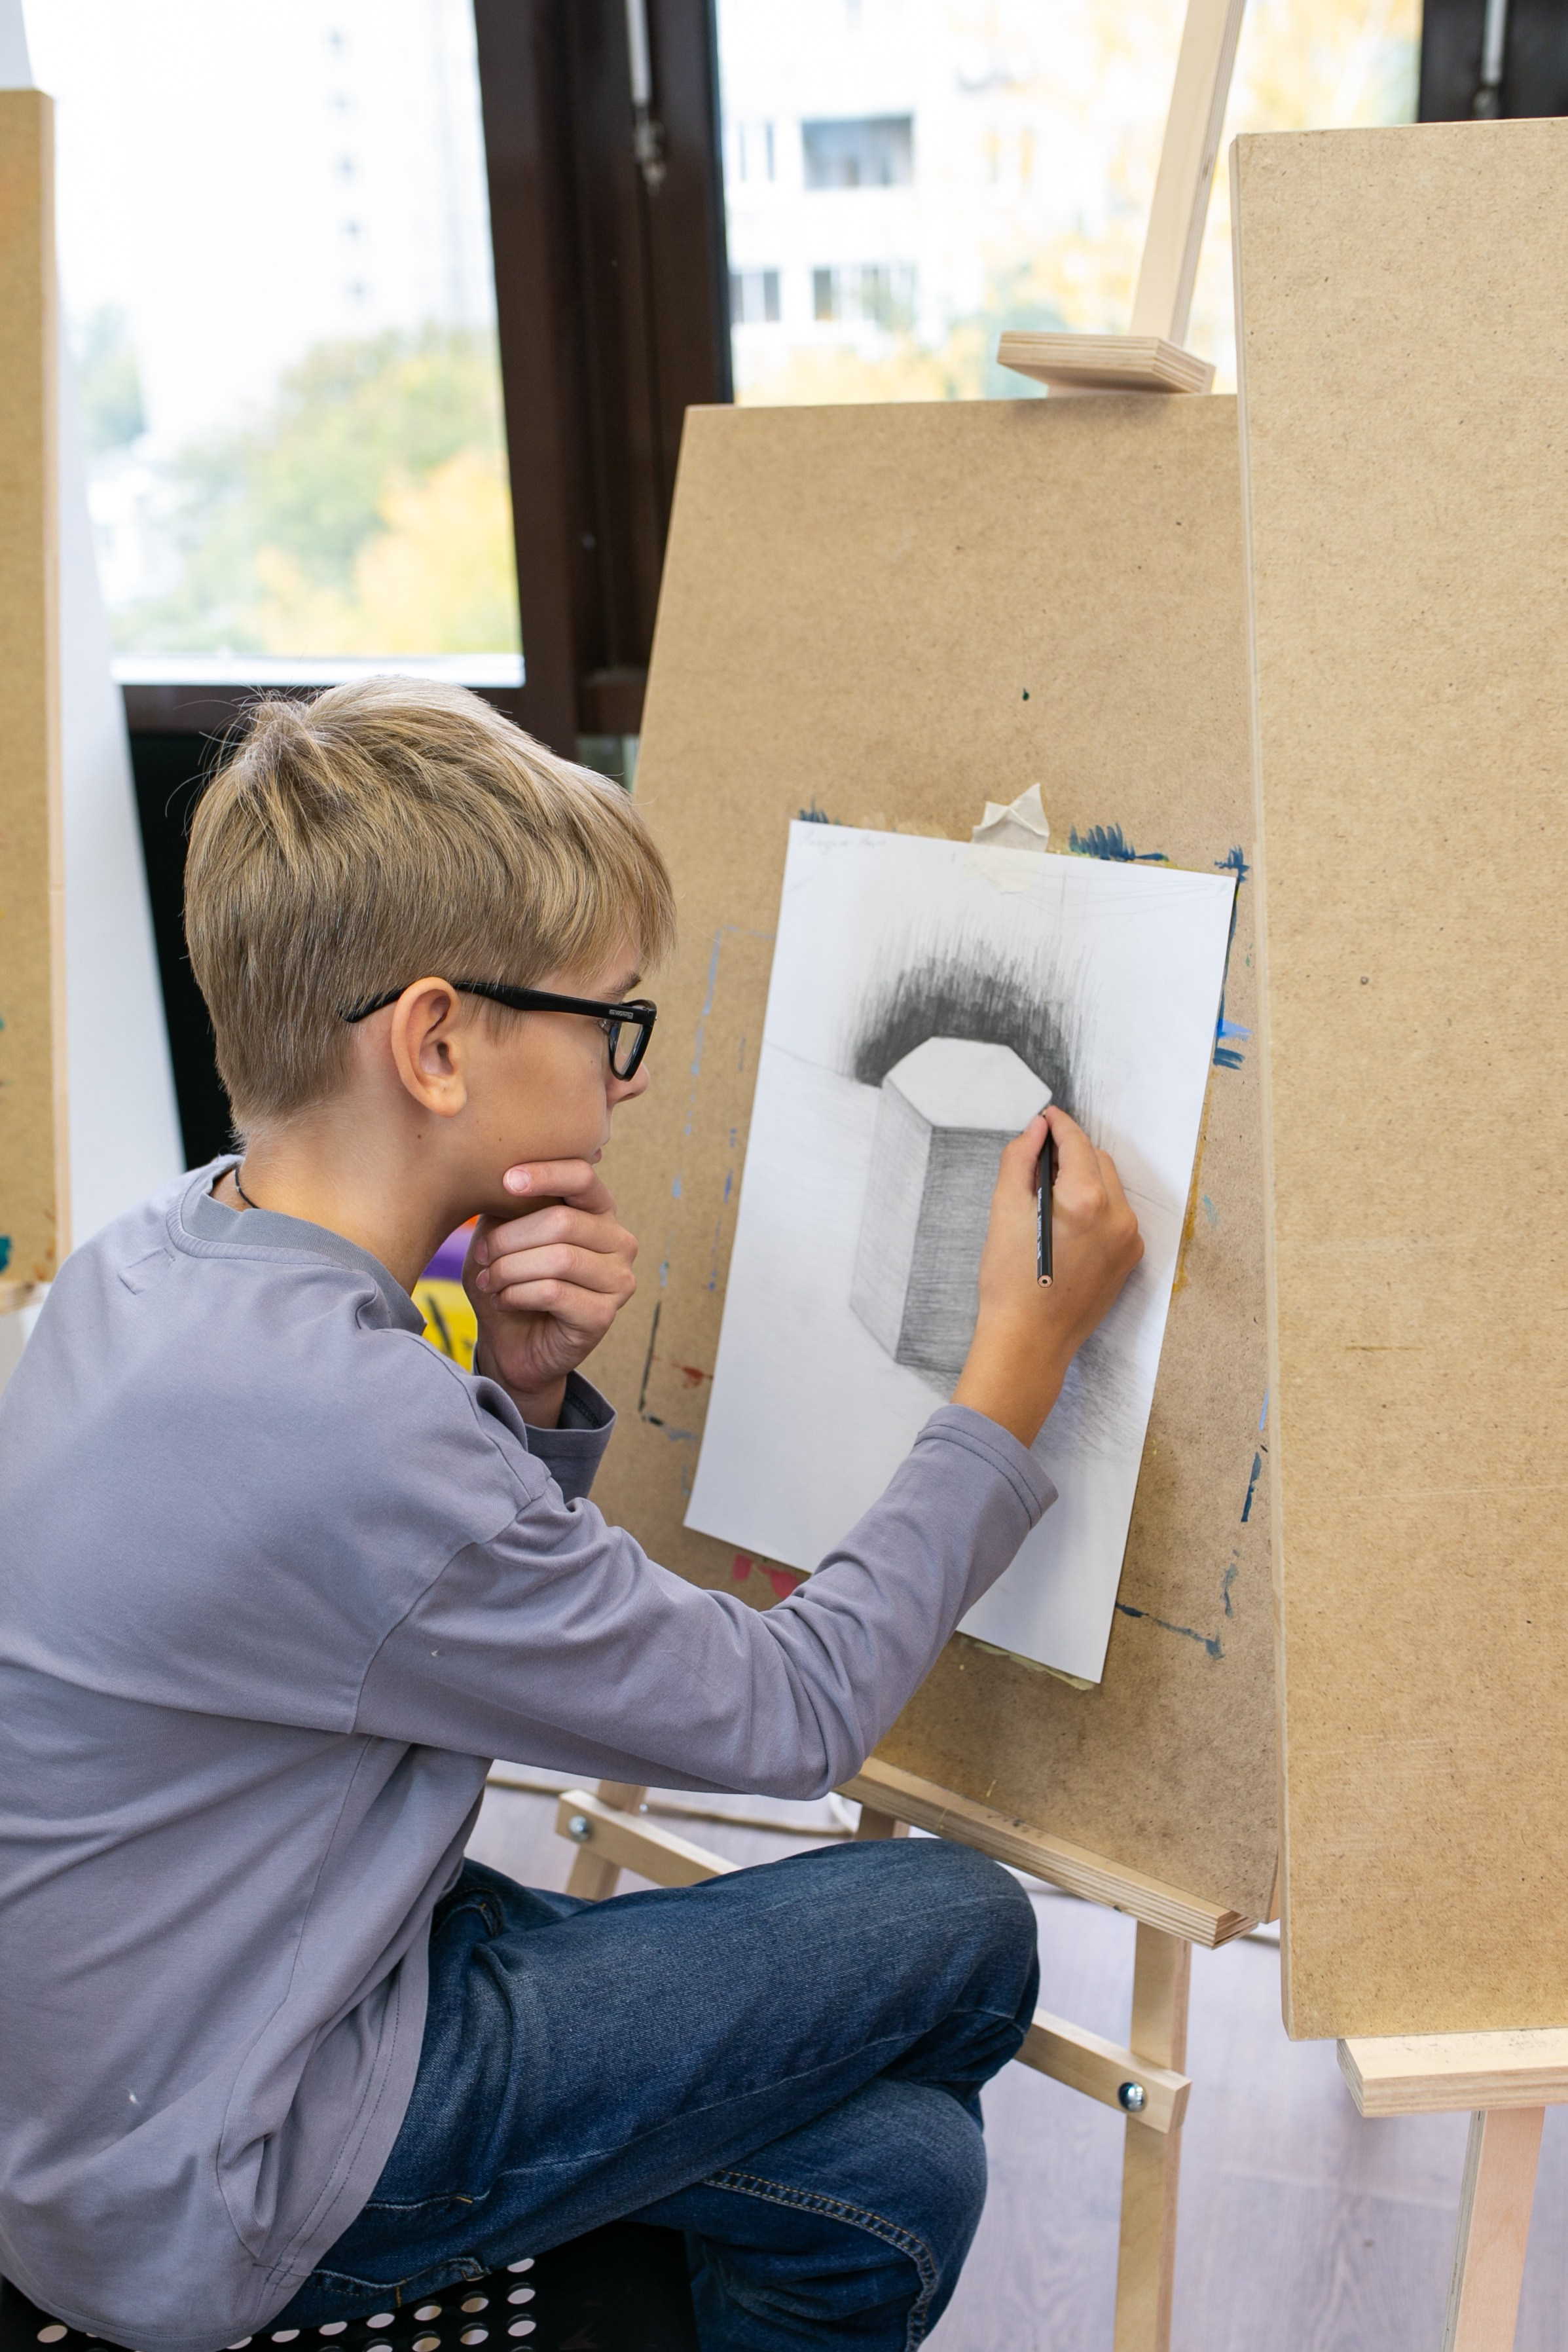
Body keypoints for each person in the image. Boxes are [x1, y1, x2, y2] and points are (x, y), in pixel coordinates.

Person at [0, 680, 1142, 2352]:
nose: (627, 1074)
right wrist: (1014, 1371)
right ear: (436, 1043)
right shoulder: (349, 1423)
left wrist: (522, 1390)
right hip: (224, 2158)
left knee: (894, 2177)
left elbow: (385, 1625)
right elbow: (793, 1713)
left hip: (153, 2051)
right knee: (955, 1924)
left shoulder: (154, 1252)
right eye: (609, 1018)